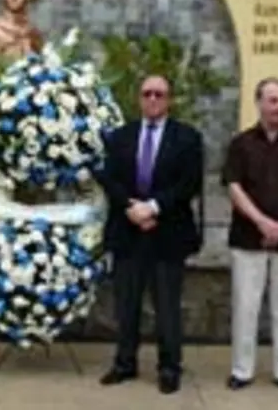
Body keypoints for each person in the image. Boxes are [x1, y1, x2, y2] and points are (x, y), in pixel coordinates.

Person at [98, 75, 204, 394]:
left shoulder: (187, 137)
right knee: (127, 303)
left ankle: (169, 367)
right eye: (147, 93)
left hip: (167, 233)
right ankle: (124, 363)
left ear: (169, 99)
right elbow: (109, 178)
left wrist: (154, 208)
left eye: (160, 94)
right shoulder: (120, 137)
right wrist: (131, 207)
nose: (153, 99)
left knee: (167, 306)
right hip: (128, 231)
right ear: (139, 98)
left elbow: (189, 183)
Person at [222, 78, 278, 393]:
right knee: (246, 307)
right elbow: (234, 188)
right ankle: (242, 369)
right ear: (259, 103)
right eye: (273, 101)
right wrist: (263, 223)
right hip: (249, 238)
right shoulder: (241, 144)